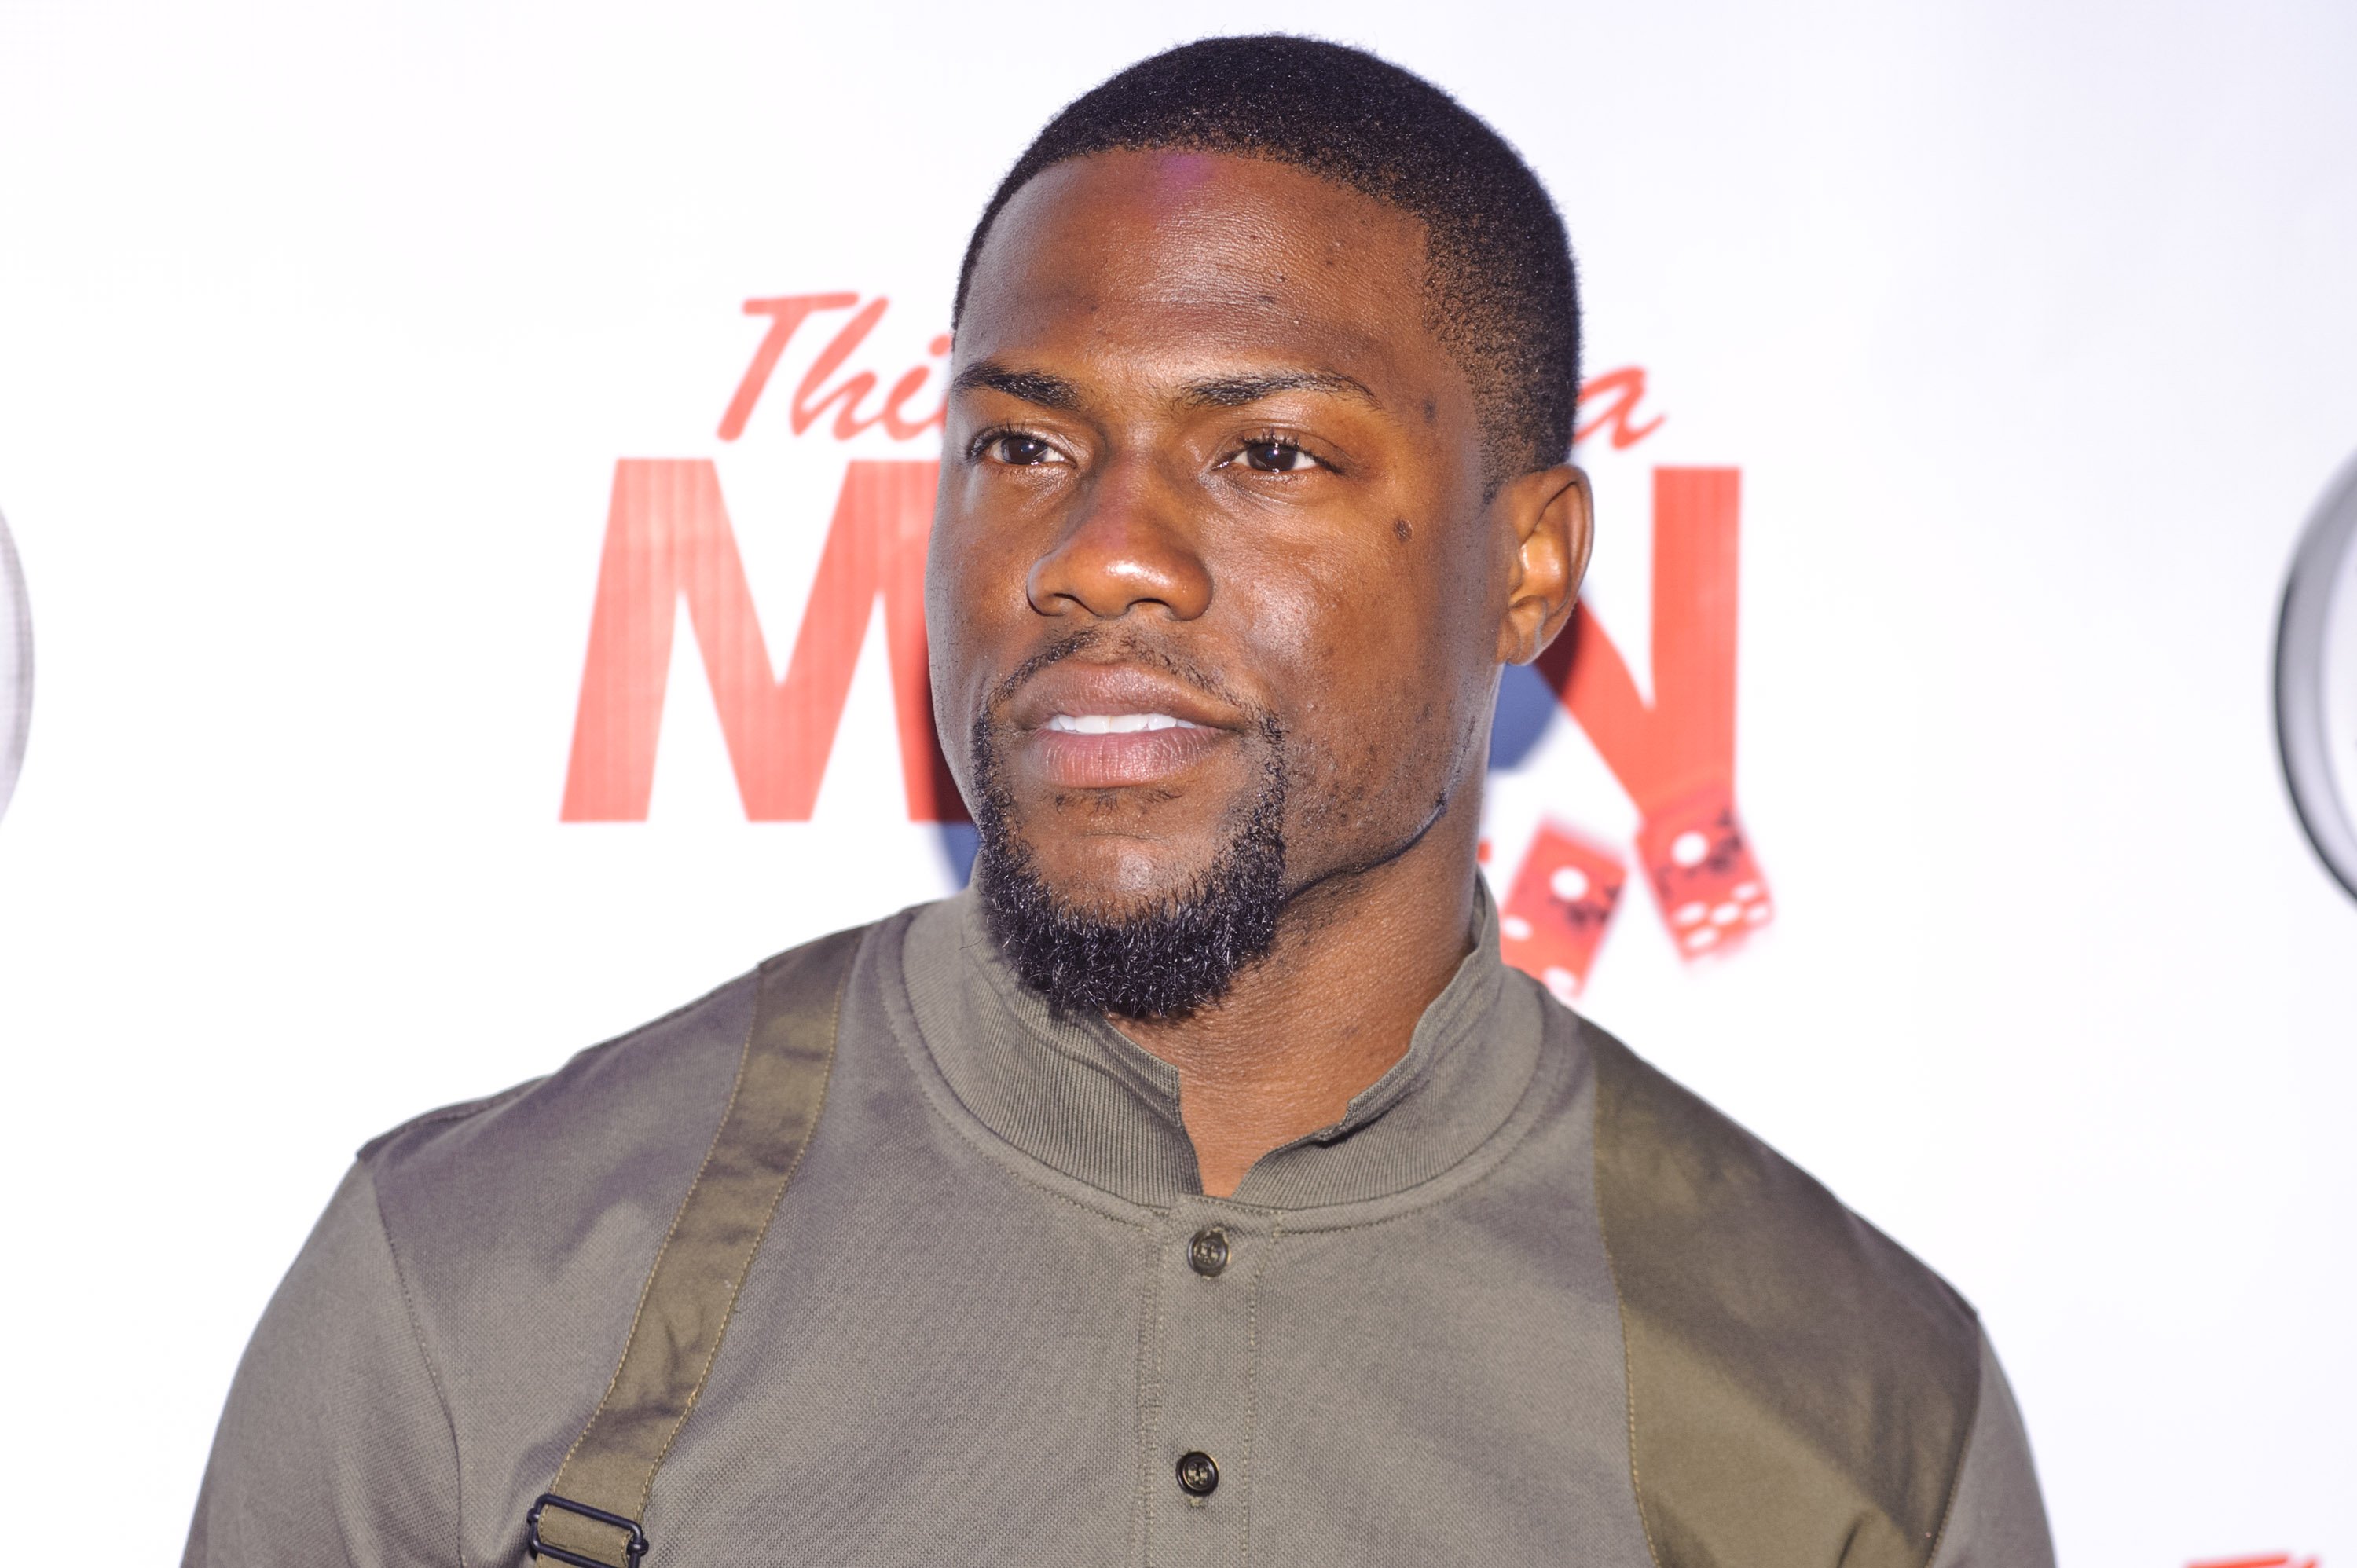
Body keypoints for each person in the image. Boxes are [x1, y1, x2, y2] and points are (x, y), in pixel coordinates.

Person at [185, 35, 2054, 1568]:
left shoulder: (1860, 1409)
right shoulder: (482, 1277)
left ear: (1534, 567)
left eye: (1267, 451)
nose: (1104, 556)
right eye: (1024, 442)